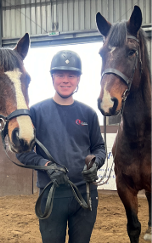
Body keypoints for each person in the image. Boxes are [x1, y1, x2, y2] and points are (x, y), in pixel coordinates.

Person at [16, 50, 106, 243]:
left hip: (85, 194)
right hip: (52, 194)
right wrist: (46, 165)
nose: (66, 80)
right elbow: (23, 153)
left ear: (78, 79)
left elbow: (99, 148)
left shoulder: (88, 114)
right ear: (52, 77)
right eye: (60, 75)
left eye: (71, 75)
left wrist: (95, 164)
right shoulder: (36, 113)